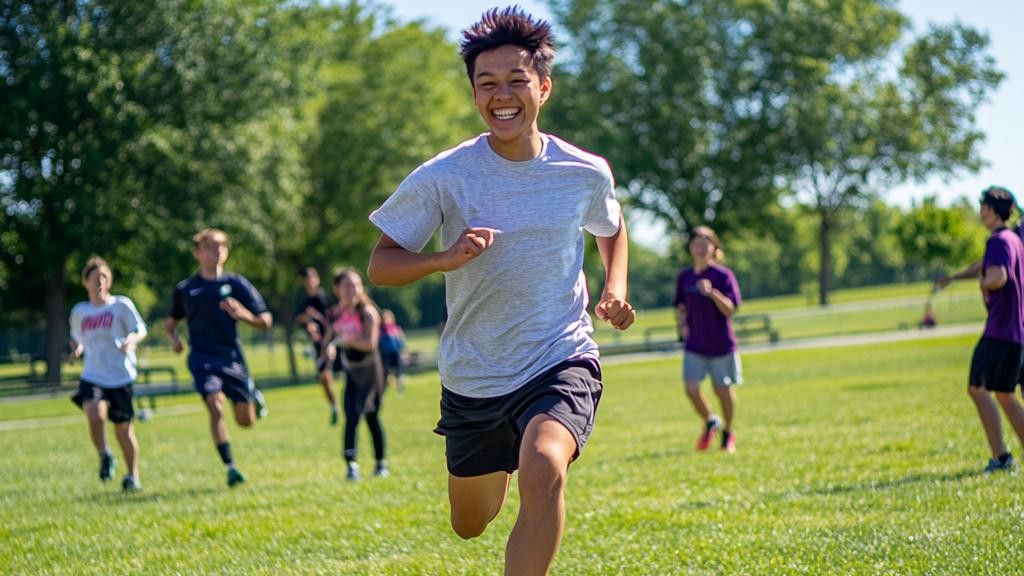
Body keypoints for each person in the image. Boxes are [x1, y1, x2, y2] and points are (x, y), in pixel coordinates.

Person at [367, 7, 635, 575]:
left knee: (544, 466)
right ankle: (499, 463)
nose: (502, 95)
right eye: (487, 83)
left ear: (544, 87)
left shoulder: (584, 172)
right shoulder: (444, 175)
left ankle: (531, 460)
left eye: (516, 80)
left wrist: (613, 287)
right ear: (473, 96)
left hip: (560, 355)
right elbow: (382, 265)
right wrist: (445, 256)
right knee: (470, 522)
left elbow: (611, 229)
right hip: (475, 375)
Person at [165, 229, 273, 487]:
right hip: (202, 358)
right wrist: (175, 340)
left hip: (233, 359)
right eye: (211, 247)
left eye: (222, 247)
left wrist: (244, 315)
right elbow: (170, 323)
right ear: (198, 253)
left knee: (245, 421)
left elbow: (266, 321)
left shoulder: (237, 284)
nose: (217, 251)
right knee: (215, 405)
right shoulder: (186, 289)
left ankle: (252, 396)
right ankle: (230, 466)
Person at [69, 257, 148, 492]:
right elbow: (77, 337)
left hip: (120, 376)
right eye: (95, 278)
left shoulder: (121, 305)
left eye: (104, 277)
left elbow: (140, 328)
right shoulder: (80, 311)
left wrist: (131, 341)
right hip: (93, 374)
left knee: (123, 429)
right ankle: (105, 454)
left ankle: (133, 476)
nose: (100, 282)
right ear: (86, 282)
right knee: (94, 414)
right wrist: (77, 349)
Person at [963, 187, 1024, 472]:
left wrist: (984, 279)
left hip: (999, 331)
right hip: (1014, 331)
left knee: (978, 388)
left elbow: (998, 277)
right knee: (1003, 393)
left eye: (984, 207)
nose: (981, 212)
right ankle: (1002, 457)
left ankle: (1000, 457)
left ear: (992, 210)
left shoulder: (998, 241)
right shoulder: (1014, 238)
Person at [673, 226, 743, 453]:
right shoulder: (684, 277)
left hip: (721, 343)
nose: (701, 248)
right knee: (691, 389)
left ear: (714, 248)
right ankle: (711, 420)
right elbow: (681, 306)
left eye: (706, 244)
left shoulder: (723, 276)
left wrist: (713, 293)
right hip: (695, 344)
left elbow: (731, 309)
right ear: (690, 248)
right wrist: (682, 324)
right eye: (696, 244)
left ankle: (728, 432)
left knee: (722, 390)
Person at [320, 268, 387, 481]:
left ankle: (380, 464)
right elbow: (327, 342)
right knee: (351, 416)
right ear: (337, 289)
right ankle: (351, 466)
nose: (353, 289)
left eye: (356, 285)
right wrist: (329, 349)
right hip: (352, 372)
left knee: (371, 416)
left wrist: (344, 341)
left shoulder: (367, 312)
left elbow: (369, 343)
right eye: (348, 285)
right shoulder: (335, 314)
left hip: (371, 371)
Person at [295, 267, 338, 424]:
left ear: (317, 279)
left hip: (332, 342)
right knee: (324, 378)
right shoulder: (303, 300)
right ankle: (334, 407)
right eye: (306, 279)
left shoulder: (324, 297)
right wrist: (306, 320)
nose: (309, 282)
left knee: (329, 374)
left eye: (311, 278)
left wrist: (317, 317)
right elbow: (298, 319)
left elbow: (334, 320)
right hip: (317, 345)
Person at [379, 308, 407, 392]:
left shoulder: (396, 328)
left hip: (396, 353)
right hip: (386, 354)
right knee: (385, 373)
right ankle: (384, 387)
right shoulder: (381, 330)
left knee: (399, 372)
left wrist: (404, 351)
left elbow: (402, 340)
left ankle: (399, 388)